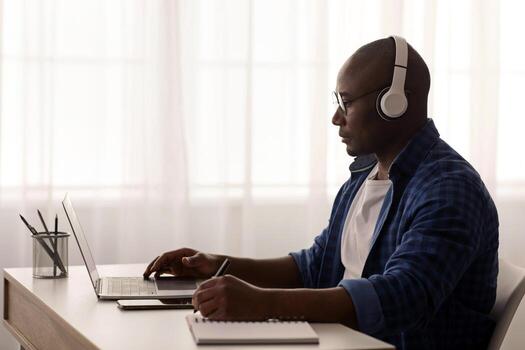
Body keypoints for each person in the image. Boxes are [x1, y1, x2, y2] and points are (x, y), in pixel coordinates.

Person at [143, 36, 498, 349]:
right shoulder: (365, 177)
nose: (336, 118)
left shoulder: (449, 188)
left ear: (394, 102)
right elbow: (314, 266)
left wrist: (264, 304)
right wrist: (217, 266)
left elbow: (403, 296)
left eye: (346, 102)